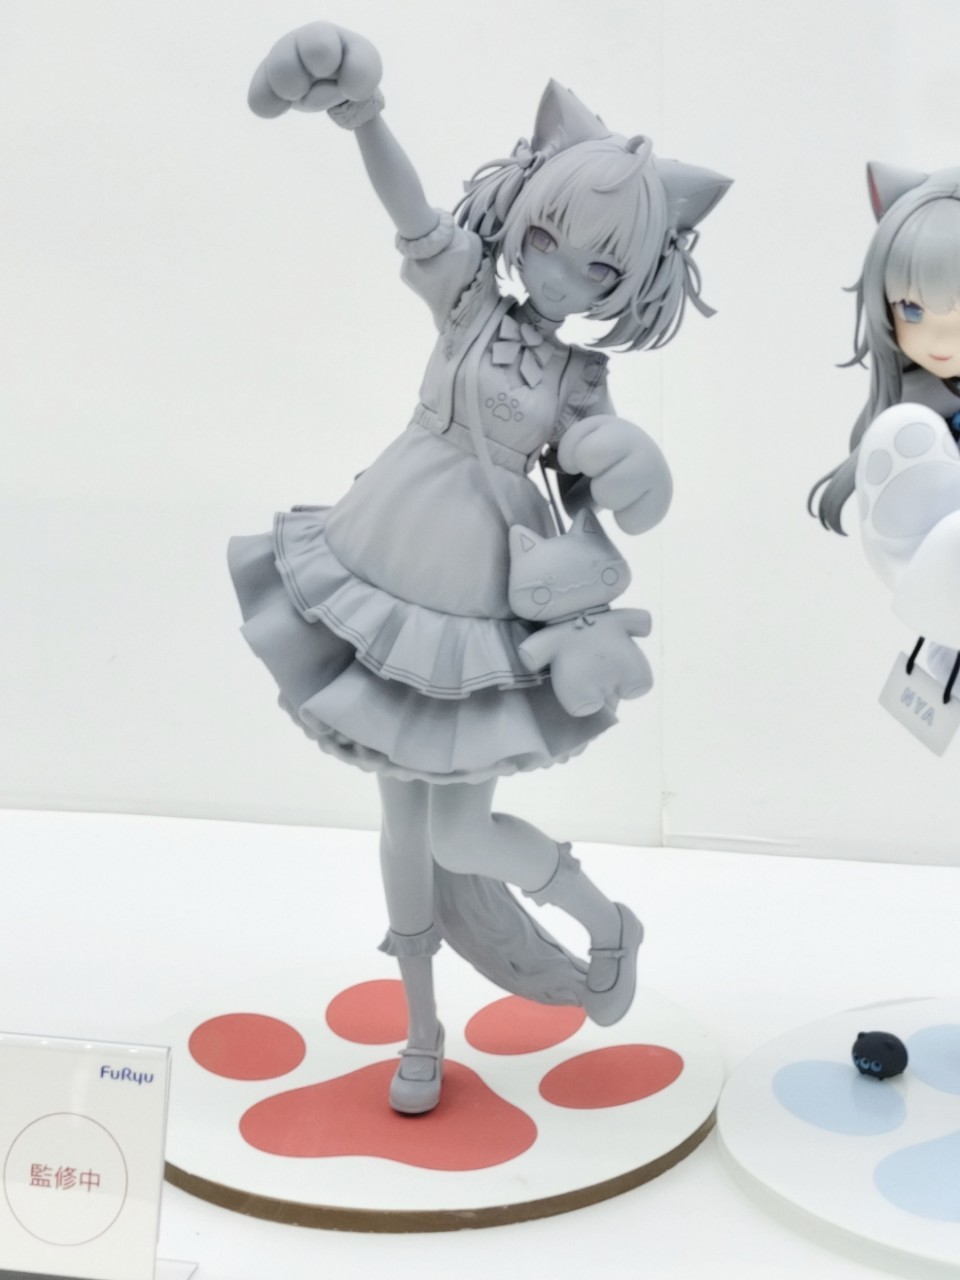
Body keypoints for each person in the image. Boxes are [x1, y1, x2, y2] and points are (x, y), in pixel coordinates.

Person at [229, 21, 730, 1113]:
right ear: (523, 210)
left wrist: (633, 462)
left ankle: (606, 922)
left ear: (632, 281)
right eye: (548, 237)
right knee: (401, 824)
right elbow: (410, 211)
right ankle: (422, 1027)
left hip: (476, 593)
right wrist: (365, 116)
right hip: (384, 553)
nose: (561, 272)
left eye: (600, 267)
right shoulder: (467, 299)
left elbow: (623, 500)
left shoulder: (580, 378)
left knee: (457, 827)